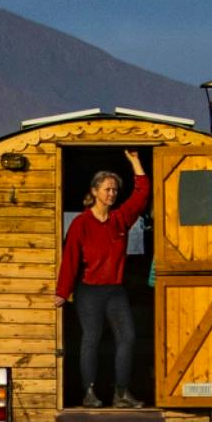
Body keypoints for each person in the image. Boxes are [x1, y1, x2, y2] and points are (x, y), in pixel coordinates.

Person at [53, 155, 152, 408]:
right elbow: (70, 259)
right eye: (107, 189)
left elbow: (142, 194)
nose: (112, 194)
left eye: (115, 190)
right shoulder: (80, 224)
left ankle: (121, 393)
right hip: (89, 291)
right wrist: (63, 292)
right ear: (95, 191)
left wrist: (135, 162)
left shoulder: (120, 219)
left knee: (127, 337)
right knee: (91, 339)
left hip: (115, 291)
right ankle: (89, 393)